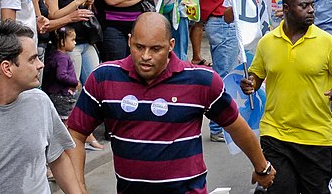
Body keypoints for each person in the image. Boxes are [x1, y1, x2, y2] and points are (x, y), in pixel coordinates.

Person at [66, 12, 276, 192]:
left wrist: (262, 167)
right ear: (129, 41)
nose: (145, 56)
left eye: (155, 49)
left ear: (171, 45)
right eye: (139, 47)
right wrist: (78, 189)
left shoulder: (202, 80)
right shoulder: (104, 78)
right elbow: (75, 133)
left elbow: (236, 126)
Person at [241, 0, 332, 193]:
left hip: (315, 136)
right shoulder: (267, 42)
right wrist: (251, 83)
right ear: (286, 8)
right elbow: (257, 74)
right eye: (304, 6)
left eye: (312, 5)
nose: (311, 10)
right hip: (275, 134)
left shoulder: (326, 42)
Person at [0, 20, 81, 193]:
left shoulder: (40, 101)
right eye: (32, 59)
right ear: (7, 68)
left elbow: (58, 158)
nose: (41, 65)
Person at [196, 0, 240, 141]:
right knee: (224, 75)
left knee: (227, 73)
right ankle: (216, 127)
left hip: (223, 21)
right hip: (221, 22)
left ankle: (221, 125)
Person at [41, 0, 100, 86]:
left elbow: (80, 12)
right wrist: (79, 1)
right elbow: (53, 15)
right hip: (68, 43)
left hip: (85, 39)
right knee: (72, 86)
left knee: (95, 83)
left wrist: (87, 4)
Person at [43, 25, 81, 121]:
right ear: (62, 42)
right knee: (65, 120)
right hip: (62, 95)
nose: (75, 43)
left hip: (55, 93)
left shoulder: (54, 55)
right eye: (72, 40)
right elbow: (61, 75)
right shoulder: (62, 58)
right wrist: (75, 82)